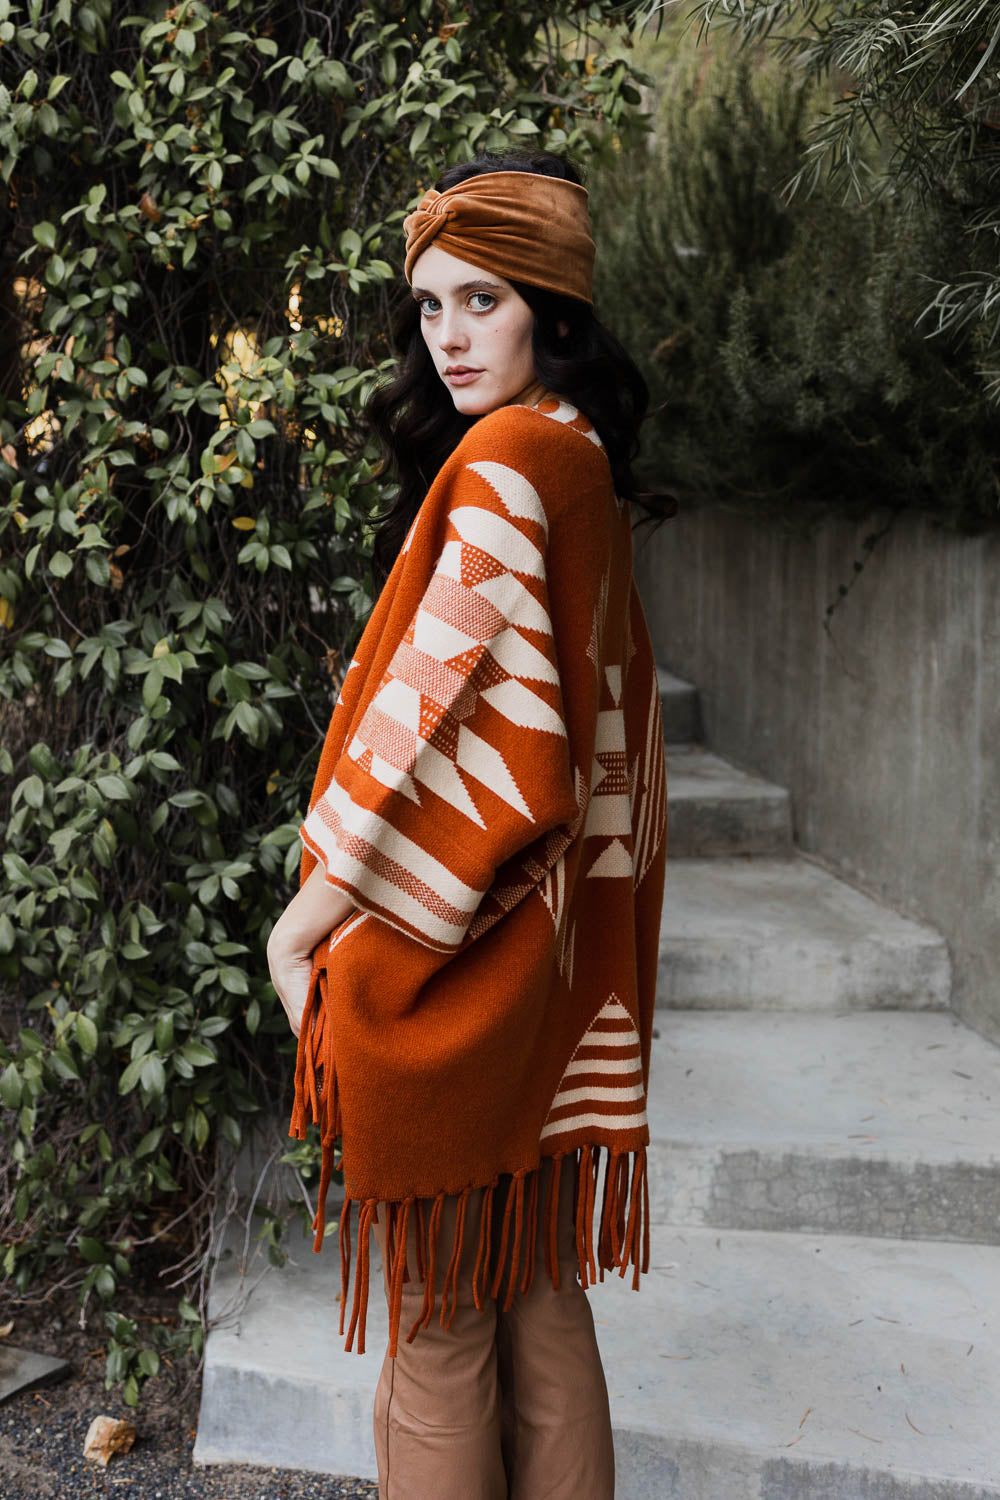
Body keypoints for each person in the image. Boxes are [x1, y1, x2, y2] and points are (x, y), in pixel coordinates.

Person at [266, 152, 668, 1500]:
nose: (448, 336)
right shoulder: (579, 461)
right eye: (431, 304)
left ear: (554, 308)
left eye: (483, 300)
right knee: (545, 1308)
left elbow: (429, 719)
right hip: (556, 983)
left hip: (457, 978)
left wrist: (301, 928)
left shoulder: (502, 464)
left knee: (439, 1333)